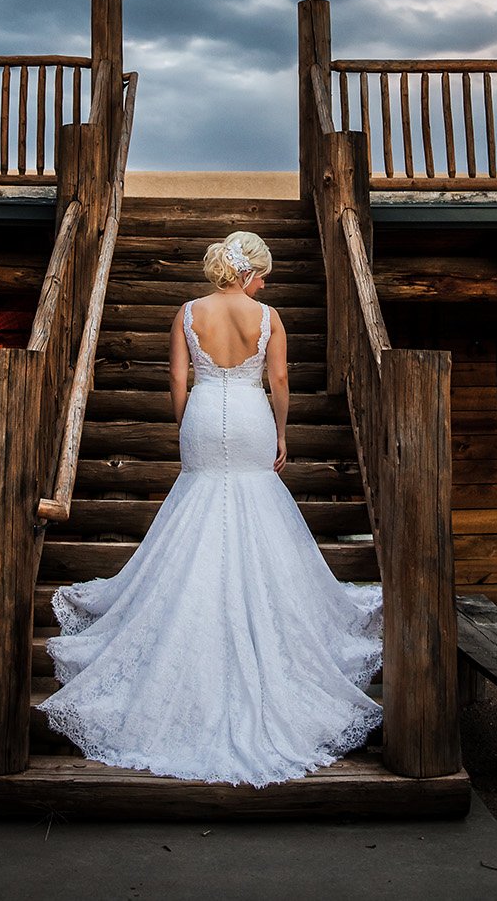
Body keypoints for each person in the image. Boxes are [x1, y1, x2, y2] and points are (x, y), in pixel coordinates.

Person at [38, 229, 383, 786]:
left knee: (198, 505)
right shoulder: (269, 316)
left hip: (203, 414)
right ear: (249, 274)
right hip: (250, 416)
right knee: (256, 503)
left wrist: (184, 423)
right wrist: (283, 431)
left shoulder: (187, 310)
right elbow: (277, 379)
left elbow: (178, 376)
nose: (266, 281)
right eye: (262, 272)